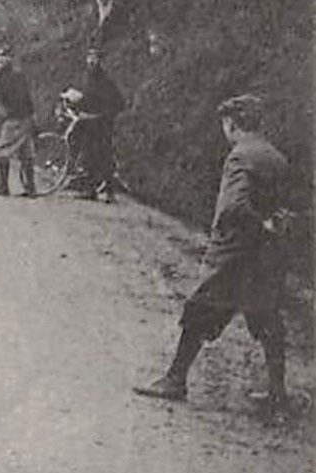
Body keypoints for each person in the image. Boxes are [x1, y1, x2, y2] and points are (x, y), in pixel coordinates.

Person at [135, 95, 292, 418]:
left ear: (232, 124)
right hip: (267, 254)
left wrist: (246, 226)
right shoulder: (276, 157)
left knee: (200, 310)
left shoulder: (240, 156)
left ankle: (175, 379)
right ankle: (278, 393)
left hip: (235, 254)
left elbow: (232, 206)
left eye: (225, 124)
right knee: (268, 319)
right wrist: (270, 225)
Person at [63, 44, 126, 200]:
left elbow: (118, 103)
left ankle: (109, 192)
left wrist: (103, 115)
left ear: (100, 61)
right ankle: (91, 190)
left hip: (102, 123)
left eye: (95, 58)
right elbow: (87, 99)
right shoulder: (87, 78)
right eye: (89, 57)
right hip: (89, 122)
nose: (91, 61)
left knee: (104, 155)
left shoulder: (105, 81)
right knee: (89, 155)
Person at [0, 45, 37, 197]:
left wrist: (13, 113)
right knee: (25, 152)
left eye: (4, 56)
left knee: (3, 149)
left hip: (17, 118)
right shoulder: (4, 75)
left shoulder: (13, 76)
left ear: (10, 59)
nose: (1, 59)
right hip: (21, 117)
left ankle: (4, 186)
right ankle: (30, 188)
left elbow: (24, 98)